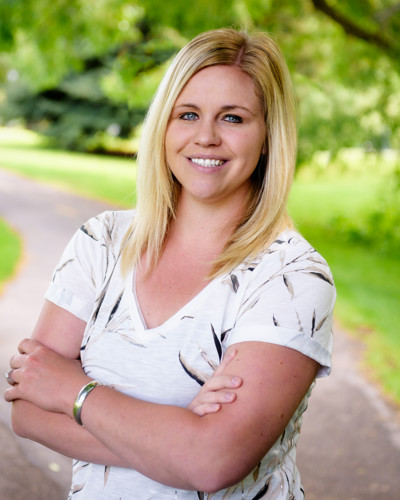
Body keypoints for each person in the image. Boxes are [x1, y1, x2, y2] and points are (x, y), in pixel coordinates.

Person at [4, 28, 335, 499]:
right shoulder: (101, 242)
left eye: (234, 118)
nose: (206, 136)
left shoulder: (291, 277)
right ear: (164, 124)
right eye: (189, 114)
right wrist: (175, 441)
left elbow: (211, 462)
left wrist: (74, 393)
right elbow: (26, 410)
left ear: (268, 138)